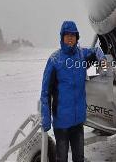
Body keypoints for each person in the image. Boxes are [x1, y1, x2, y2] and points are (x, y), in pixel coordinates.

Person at [40, 21, 106, 162]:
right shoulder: (54, 60)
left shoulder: (81, 56)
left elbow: (94, 52)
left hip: (78, 121)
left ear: (77, 37)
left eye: (73, 35)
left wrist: (100, 55)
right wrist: (46, 116)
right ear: (62, 37)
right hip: (62, 122)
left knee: (79, 158)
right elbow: (45, 92)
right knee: (62, 158)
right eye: (67, 35)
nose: (70, 38)